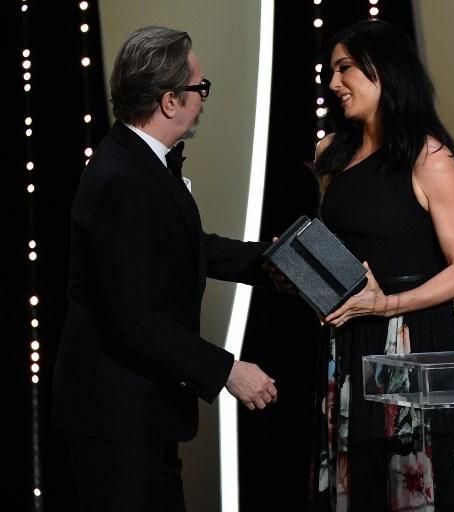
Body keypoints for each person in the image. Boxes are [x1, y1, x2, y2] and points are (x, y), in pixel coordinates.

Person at [51, 26, 278, 512]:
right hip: (117, 419)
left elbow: (185, 248)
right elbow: (135, 319)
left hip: (136, 414)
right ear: (170, 101)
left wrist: (272, 261)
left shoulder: (138, 162)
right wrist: (227, 371)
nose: (204, 98)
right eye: (200, 88)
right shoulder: (123, 180)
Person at [308, 19, 454, 512]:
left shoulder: (430, 159)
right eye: (331, 70)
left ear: (383, 72)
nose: (333, 83)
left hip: (414, 339)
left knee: (414, 478)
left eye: (345, 69)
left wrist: (388, 305)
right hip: (346, 339)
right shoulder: (330, 154)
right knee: (355, 481)